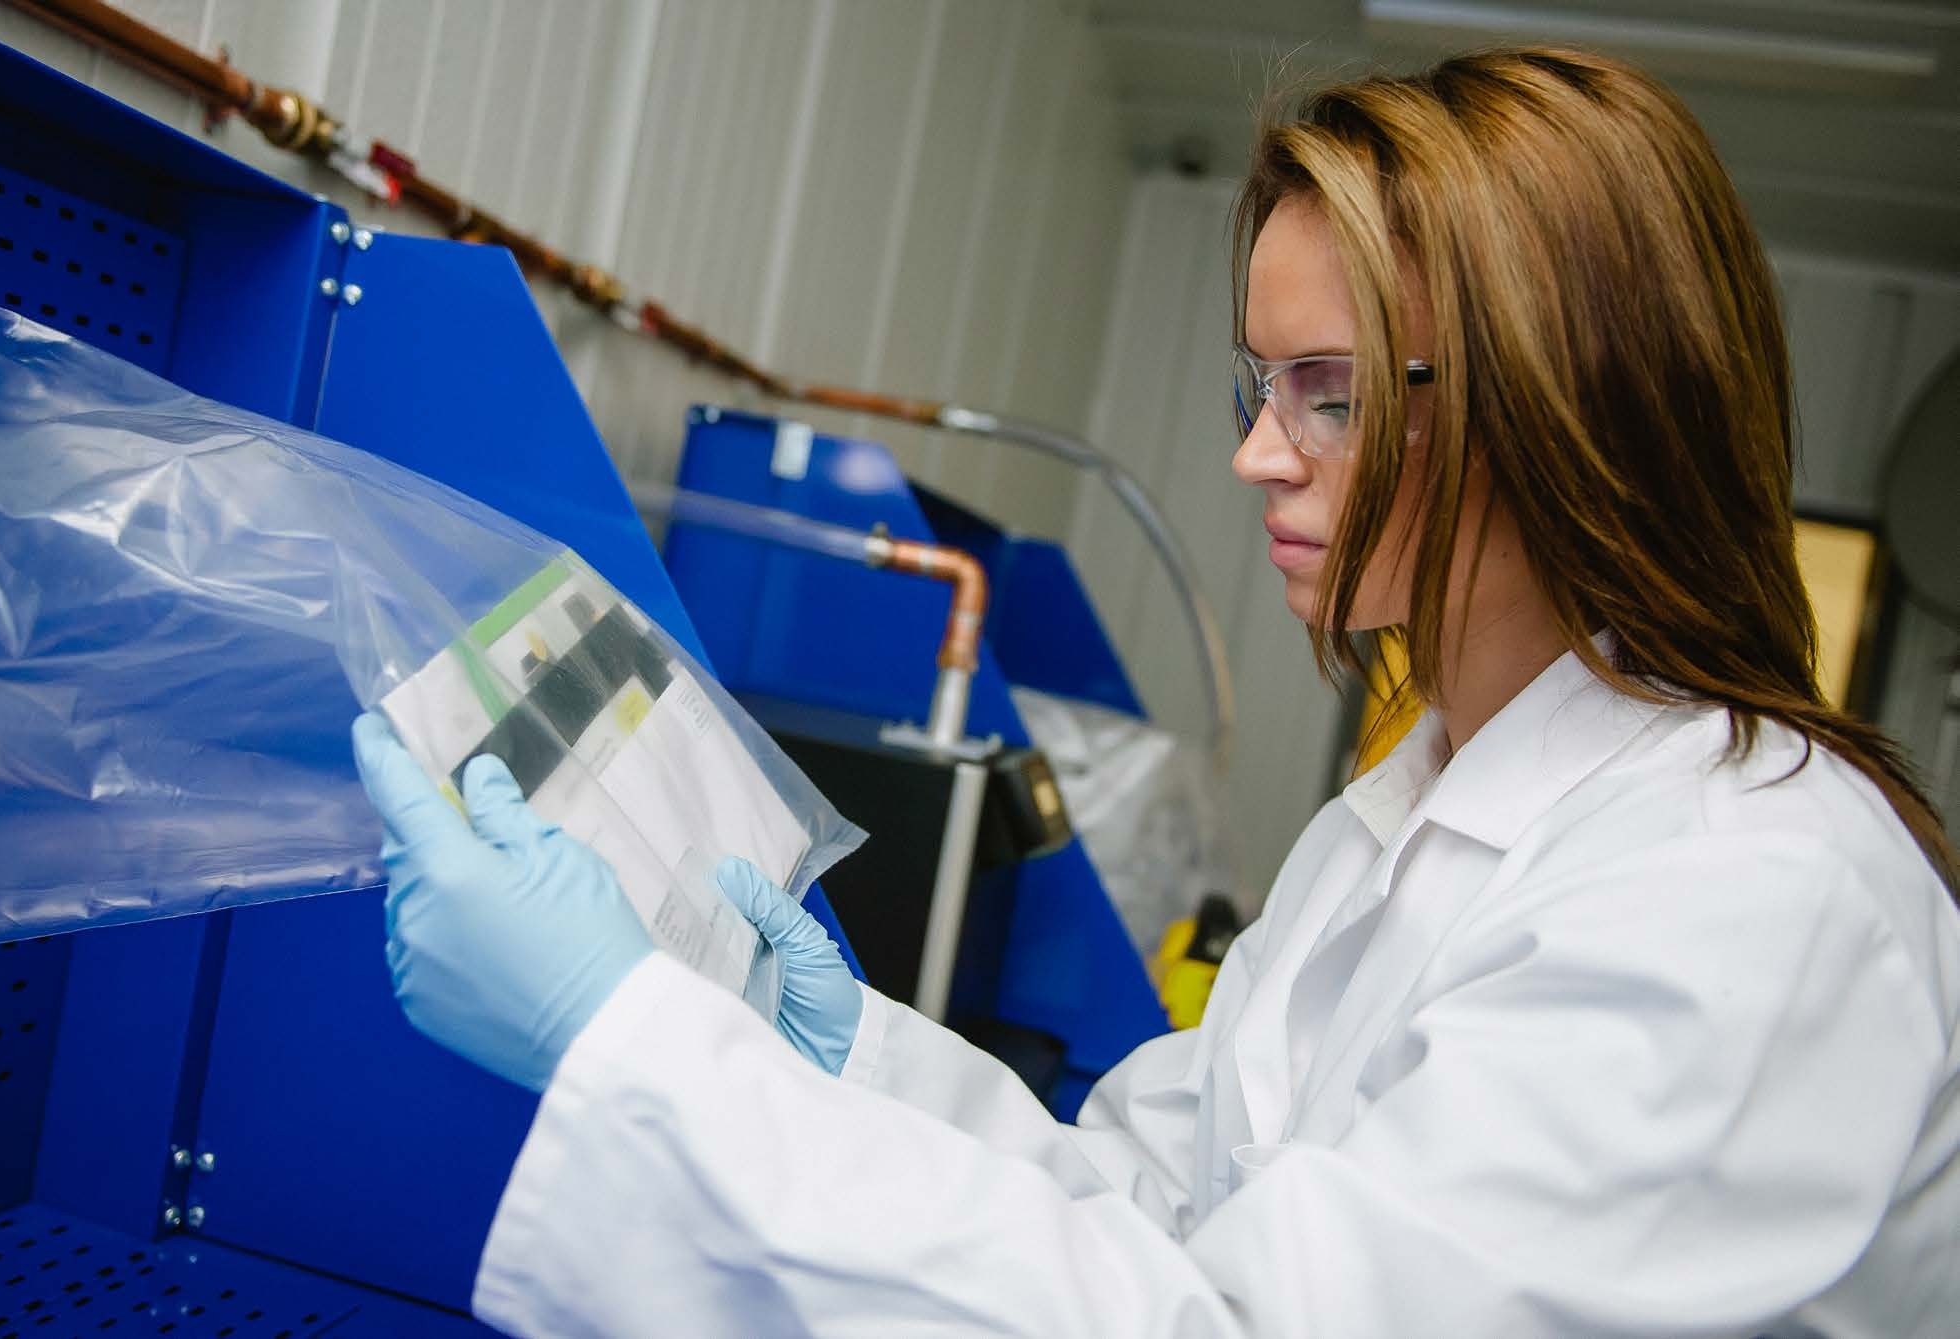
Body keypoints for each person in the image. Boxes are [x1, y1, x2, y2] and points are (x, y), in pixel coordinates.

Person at [350, 46, 1960, 1337]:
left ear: (1563, 397)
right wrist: (835, 1061)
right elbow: (1153, 1213)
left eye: (1327, 394)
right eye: (1260, 387)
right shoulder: (1400, 823)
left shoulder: (1745, 894)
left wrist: (615, 1041)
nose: (1258, 453)